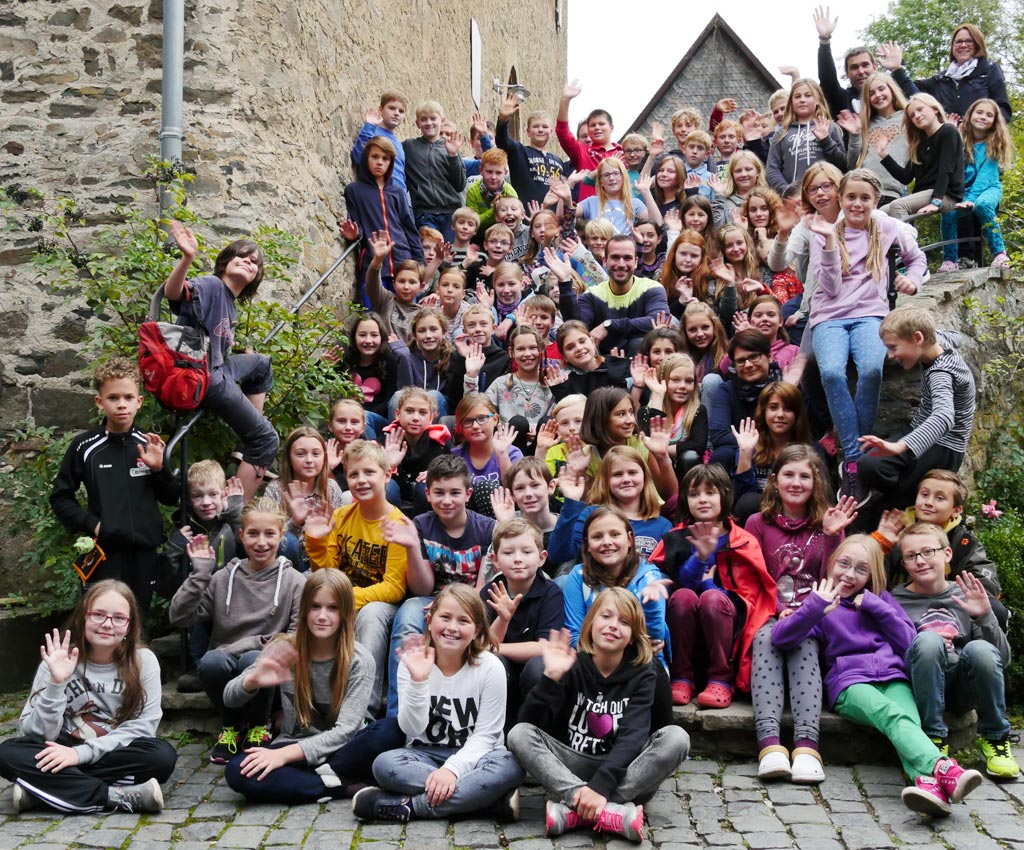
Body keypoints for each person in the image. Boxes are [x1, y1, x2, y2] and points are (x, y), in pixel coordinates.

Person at [772, 535, 983, 816]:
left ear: (872, 574)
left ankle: (930, 787)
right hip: (850, 684)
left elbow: (910, 644)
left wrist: (877, 607)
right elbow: (780, 637)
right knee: (890, 715)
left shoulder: (882, 600)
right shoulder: (821, 604)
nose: (849, 574)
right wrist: (814, 607)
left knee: (908, 721)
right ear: (832, 564)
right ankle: (945, 767)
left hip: (894, 678)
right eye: (843, 564)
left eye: (861, 569)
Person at [507, 592, 690, 843]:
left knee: (677, 738)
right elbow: (529, 723)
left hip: (625, 774)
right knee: (518, 734)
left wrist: (600, 787)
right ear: (591, 623)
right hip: (575, 768)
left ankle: (579, 811)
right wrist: (551, 679)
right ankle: (604, 809)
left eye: (624, 622)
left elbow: (633, 737)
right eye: (606, 616)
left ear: (632, 636)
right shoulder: (573, 664)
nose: (614, 624)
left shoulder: (645, 673)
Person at [0, 581, 176, 814]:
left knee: (162, 756)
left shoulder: (144, 661)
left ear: (129, 626)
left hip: (111, 753)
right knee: (7, 753)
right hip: (58, 751)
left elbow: (143, 728)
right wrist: (56, 684)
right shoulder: (57, 659)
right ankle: (113, 796)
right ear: (84, 617)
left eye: (118, 618)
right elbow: (34, 735)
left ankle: (43, 791)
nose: (107, 624)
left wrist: (79, 754)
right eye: (98, 615)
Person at [352, 585, 523, 822]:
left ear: (476, 631)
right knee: (384, 764)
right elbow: (411, 729)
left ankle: (410, 806)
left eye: (464, 621)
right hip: (425, 755)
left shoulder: (490, 667)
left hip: (479, 756)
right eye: (445, 618)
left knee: (510, 767)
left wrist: (451, 770)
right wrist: (419, 681)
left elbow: (487, 736)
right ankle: (487, 803)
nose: (452, 627)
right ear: (430, 622)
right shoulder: (412, 662)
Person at [805, 169, 926, 500]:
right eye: (851, 197)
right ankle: (857, 462)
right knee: (831, 371)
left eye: (865, 198)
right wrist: (830, 242)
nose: (857, 204)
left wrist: (913, 281)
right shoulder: (825, 232)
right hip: (829, 315)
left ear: (875, 201)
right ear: (841, 200)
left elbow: (916, 259)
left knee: (872, 368)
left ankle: (853, 461)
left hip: (870, 314)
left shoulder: (886, 226)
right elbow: (828, 288)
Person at [222, 570, 389, 803]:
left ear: (346, 613)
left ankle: (312, 780)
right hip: (296, 743)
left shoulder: (359, 660)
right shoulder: (285, 648)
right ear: (303, 610)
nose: (322, 616)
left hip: (345, 749)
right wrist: (252, 681)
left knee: (389, 729)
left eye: (333, 608)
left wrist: (283, 756)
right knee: (237, 769)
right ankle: (336, 787)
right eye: (315, 606)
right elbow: (229, 698)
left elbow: (346, 731)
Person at [745, 446, 858, 783]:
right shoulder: (758, 523)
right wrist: (780, 610)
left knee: (804, 644)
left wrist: (833, 534)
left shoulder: (826, 522)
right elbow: (754, 577)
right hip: (770, 614)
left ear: (816, 481)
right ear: (775, 480)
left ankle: (807, 746)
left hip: (815, 616)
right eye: (789, 475)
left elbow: (832, 579)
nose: (796, 482)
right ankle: (770, 746)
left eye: (804, 476)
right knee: (766, 640)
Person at [170, 498, 306, 763]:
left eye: (270, 534)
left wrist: (249, 647)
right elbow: (180, 616)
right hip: (225, 666)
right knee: (211, 661)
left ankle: (260, 726)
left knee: (253, 659)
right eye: (253, 534)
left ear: (282, 537)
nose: (261, 542)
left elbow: (295, 636)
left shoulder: (294, 581)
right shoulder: (223, 578)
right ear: (241, 536)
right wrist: (199, 575)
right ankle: (231, 727)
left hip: (268, 667)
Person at [50, 358, 178, 616]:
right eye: (113, 398)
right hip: (104, 555)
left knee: (137, 623)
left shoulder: (151, 444)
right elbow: (61, 497)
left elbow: (172, 497)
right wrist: (93, 525)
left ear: (139, 401)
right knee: (100, 622)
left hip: (144, 555)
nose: (121, 404)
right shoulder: (85, 447)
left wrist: (158, 469)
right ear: (100, 402)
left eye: (128, 397)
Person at [892, 523, 1019, 779]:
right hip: (921, 685)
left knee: (980, 649)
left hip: (961, 685)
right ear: (904, 563)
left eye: (928, 552)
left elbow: (1001, 659)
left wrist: (984, 615)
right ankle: (933, 738)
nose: (920, 561)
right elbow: (890, 655)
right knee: (928, 642)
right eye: (911, 556)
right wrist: (920, 640)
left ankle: (995, 738)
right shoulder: (895, 601)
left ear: (947, 554)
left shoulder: (966, 595)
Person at [164, 221, 278, 502]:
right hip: (205, 377)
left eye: (254, 262)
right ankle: (233, 512)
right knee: (266, 440)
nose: (247, 262)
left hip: (217, 369)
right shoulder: (213, 285)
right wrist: (187, 258)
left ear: (255, 277)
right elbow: (174, 294)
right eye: (241, 256)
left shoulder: (229, 303)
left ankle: (245, 441)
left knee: (260, 364)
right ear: (225, 262)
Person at [304, 440, 421, 715]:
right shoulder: (342, 516)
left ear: (387, 475)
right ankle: (306, 702)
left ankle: (362, 712)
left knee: (370, 614)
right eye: (354, 474)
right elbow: (324, 572)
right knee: (308, 596)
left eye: (369, 472)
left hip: (381, 605)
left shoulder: (399, 524)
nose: (361, 480)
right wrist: (315, 540)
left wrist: (344, 600)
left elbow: (393, 588)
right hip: (343, 596)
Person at [652, 465, 776, 709]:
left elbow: (748, 598)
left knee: (711, 598)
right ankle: (681, 676)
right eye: (694, 493)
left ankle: (721, 678)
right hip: (684, 627)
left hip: (726, 630)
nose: (703, 500)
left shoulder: (742, 540)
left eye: (710, 492)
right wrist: (699, 558)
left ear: (725, 495)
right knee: (684, 596)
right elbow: (678, 584)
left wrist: (710, 584)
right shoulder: (675, 538)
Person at [382, 455, 495, 717]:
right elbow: (422, 589)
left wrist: (451, 605)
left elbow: (483, 589)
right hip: (429, 600)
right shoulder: (419, 526)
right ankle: (397, 713)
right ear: (428, 494)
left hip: (472, 604)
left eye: (455, 493)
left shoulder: (487, 529)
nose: (446, 500)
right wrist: (411, 546)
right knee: (409, 612)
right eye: (439, 493)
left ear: (468, 494)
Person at [857, 306, 976, 512]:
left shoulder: (941, 374)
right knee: (869, 465)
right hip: (919, 428)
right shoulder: (938, 341)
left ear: (917, 338)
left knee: (892, 507)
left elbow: (944, 417)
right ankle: (899, 490)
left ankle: (898, 501)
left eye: (894, 347)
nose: (891, 355)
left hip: (943, 447)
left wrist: (900, 446)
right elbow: (957, 337)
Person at [159, 460, 243, 692]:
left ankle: (232, 661)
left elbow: (252, 552)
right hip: (201, 600)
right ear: (188, 499)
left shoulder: (231, 524)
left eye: (213, 494)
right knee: (197, 603)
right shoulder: (184, 531)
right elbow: (165, 585)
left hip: (235, 595)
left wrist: (235, 513)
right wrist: (173, 551)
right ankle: (198, 666)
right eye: (198, 496)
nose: (206, 502)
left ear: (224, 494)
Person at [481, 517, 565, 726]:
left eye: (527, 552)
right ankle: (497, 731)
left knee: (539, 666)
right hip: (503, 673)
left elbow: (545, 648)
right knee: (492, 662)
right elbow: (483, 647)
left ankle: (534, 730)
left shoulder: (550, 592)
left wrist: (497, 647)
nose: (518, 559)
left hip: (532, 675)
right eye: (508, 553)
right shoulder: (490, 591)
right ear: (496, 559)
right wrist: (503, 619)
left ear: (542, 557)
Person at [549, 447, 674, 569]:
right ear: (606, 481)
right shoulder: (591, 515)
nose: (626, 479)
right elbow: (558, 555)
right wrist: (571, 502)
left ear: (645, 477)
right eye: (617, 474)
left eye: (632, 472)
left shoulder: (663, 525)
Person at [554, 235, 670, 356]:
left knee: (637, 342)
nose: (621, 264)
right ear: (604, 261)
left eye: (627, 258)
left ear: (636, 262)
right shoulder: (592, 294)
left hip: (644, 364)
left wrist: (610, 325)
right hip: (603, 366)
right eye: (615, 257)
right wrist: (565, 283)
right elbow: (576, 329)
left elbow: (658, 321)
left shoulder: (652, 288)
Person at [880, 25, 1012, 124]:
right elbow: (914, 96)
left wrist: (977, 128)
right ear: (952, 47)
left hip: (981, 147)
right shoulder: (941, 79)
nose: (963, 45)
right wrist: (897, 70)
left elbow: (1003, 111)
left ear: (978, 44)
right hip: (950, 145)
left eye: (969, 41)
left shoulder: (989, 71)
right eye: (959, 42)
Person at [938, 98, 1014, 271]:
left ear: (994, 121)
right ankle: (950, 259)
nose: (983, 117)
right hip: (965, 190)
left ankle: (1000, 253)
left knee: (983, 205)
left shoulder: (993, 145)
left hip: (988, 188)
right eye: (979, 112)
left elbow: (984, 178)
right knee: (948, 211)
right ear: (970, 115)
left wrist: (971, 199)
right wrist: (951, 132)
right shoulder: (961, 141)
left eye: (989, 115)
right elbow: (952, 169)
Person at [342, 137, 423, 294]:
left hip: (403, 263)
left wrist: (419, 262)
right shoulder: (354, 190)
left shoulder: (398, 192)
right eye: (375, 157)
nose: (380, 162)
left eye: (385, 158)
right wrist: (353, 234)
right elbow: (356, 223)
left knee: (405, 316)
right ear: (366, 158)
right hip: (374, 264)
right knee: (375, 317)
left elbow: (409, 228)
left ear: (391, 163)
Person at [264, 426, 346, 573]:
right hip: (288, 562)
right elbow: (267, 536)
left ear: (324, 457)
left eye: (316, 454)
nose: (309, 460)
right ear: (289, 458)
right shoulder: (276, 489)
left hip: (323, 561)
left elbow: (339, 534)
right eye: (301, 454)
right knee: (287, 541)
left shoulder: (331, 488)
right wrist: (296, 522)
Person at [874, 94, 965, 220]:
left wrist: (936, 201)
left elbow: (946, 169)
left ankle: (907, 239)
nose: (916, 116)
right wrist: (883, 154)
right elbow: (905, 177)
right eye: (912, 115)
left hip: (945, 194)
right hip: (924, 194)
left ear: (935, 109)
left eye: (920, 109)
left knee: (897, 205)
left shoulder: (948, 131)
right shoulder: (919, 144)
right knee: (881, 212)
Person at [837, 73, 909, 206]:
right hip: (865, 191)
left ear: (891, 90)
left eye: (881, 89)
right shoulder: (865, 124)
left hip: (893, 192)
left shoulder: (908, 118)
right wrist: (854, 135)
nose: (878, 95)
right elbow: (852, 164)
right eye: (871, 93)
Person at [766, 79, 846, 194]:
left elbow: (842, 164)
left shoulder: (830, 127)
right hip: (795, 199)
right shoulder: (781, 133)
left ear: (818, 99)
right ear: (791, 102)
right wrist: (787, 192)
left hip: (826, 194)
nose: (802, 100)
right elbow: (772, 169)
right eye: (797, 96)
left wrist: (826, 141)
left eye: (808, 95)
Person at [402, 100, 467, 240]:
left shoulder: (450, 147)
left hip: (450, 212)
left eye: (433, 118)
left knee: (448, 256)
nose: (429, 123)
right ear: (417, 123)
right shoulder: (409, 147)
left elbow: (460, 184)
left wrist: (453, 156)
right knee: (429, 252)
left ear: (442, 120)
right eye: (424, 119)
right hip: (424, 212)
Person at [452, 393, 523, 517]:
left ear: (495, 419)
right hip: (468, 521)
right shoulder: (455, 455)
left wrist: (502, 454)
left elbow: (516, 493)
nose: (475, 426)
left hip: (504, 519)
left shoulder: (512, 453)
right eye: (468, 421)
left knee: (486, 488)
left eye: (482, 418)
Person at [556, 80, 624, 202]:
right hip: (589, 213)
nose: (597, 127)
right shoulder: (583, 151)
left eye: (601, 124)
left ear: (611, 127)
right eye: (592, 125)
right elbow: (563, 133)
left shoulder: (623, 152)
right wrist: (565, 101)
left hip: (619, 211)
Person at [641, 353, 708, 474]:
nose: (682, 386)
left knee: (690, 456)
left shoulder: (698, 410)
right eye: (675, 380)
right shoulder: (645, 411)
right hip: (655, 472)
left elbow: (698, 446)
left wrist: (662, 449)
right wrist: (658, 395)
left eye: (689, 381)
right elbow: (647, 446)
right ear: (663, 381)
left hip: (684, 471)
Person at [339, 310, 401, 437]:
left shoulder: (389, 360)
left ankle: (371, 455)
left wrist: (360, 414)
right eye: (362, 335)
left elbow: (390, 401)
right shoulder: (347, 359)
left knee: (364, 420)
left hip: (378, 421)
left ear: (381, 337)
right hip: (349, 419)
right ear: (354, 337)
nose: (368, 340)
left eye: (374, 335)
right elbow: (310, 385)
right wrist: (322, 364)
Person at [496, 95, 564, 206]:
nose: (541, 130)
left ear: (551, 132)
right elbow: (502, 141)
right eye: (536, 126)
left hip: (552, 218)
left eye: (545, 127)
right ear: (528, 131)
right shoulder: (519, 152)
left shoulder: (559, 162)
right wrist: (503, 119)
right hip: (526, 217)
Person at [812, 6, 878, 118]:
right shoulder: (842, 98)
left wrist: (898, 70)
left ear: (875, 68)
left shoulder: (889, 95)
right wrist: (824, 40)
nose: (861, 71)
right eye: (854, 67)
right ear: (847, 73)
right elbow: (828, 80)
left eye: (865, 65)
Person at [361, 233, 424, 343]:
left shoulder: (421, 313)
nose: (406, 287)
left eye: (412, 282)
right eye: (401, 281)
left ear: (421, 287)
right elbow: (372, 284)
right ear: (394, 283)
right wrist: (377, 260)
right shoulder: (386, 300)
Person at [548, 321, 630, 400]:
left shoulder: (618, 365)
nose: (579, 348)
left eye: (582, 341)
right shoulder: (565, 381)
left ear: (592, 341)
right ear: (564, 356)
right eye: (570, 347)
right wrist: (560, 390)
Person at [352, 92, 409, 190]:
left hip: (400, 199)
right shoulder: (372, 132)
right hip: (382, 195)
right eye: (392, 108)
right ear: (381, 109)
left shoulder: (398, 144)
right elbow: (359, 157)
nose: (396, 113)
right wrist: (369, 126)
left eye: (401, 111)